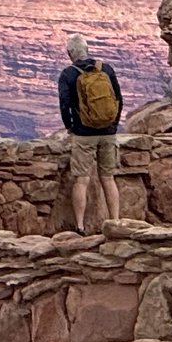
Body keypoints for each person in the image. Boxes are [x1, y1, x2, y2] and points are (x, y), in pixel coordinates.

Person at [58, 33, 123, 233]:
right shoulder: (106, 69)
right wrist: (113, 124)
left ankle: (80, 226)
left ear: (70, 53)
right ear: (87, 49)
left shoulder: (68, 74)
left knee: (82, 180)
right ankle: (115, 222)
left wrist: (70, 127)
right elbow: (118, 99)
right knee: (108, 178)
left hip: (83, 134)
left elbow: (64, 105)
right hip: (108, 131)